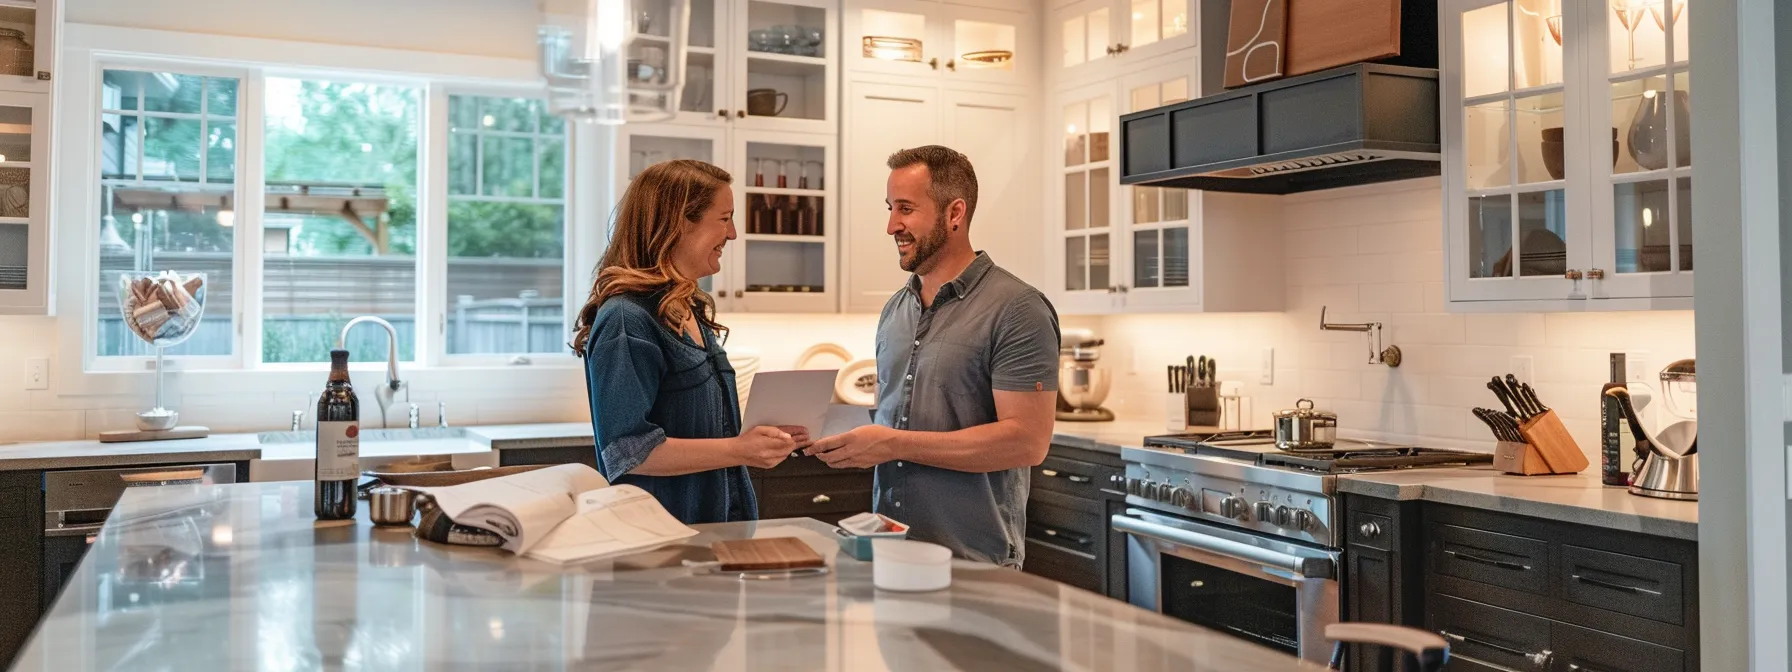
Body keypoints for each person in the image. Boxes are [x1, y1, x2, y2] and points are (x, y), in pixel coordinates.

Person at [806, 146, 1060, 567]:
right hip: (888, 554)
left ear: (954, 213)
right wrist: (834, 433)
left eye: (905, 208)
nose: (892, 225)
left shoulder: (1017, 309)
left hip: (974, 561)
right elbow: (898, 419)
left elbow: (1028, 441)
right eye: (890, 208)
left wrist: (890, 443)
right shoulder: (896, 309)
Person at [571, 159, 807, 525]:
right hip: (661, 540)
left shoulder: (686, 307)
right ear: (681, 222)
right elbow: (629, 452)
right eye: (724, 218)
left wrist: (761, 441)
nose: (733, 235)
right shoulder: (626, 318)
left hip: (717, 529)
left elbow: (706, 431)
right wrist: (738, 449)